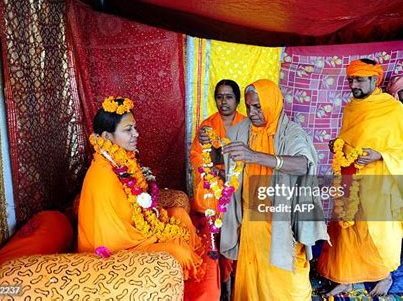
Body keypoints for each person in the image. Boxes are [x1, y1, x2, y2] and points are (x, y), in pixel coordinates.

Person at [77, 96, 220, 300]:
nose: (136, 134)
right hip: (120, 246)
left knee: (179, 214)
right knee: (181, 254)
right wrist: (155, 235)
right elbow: (113, 239)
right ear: (107, 137)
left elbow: (139, 201)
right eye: (128, 130)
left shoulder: (123, 159)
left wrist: (155, 220)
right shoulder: (103, 176)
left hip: (138, 227)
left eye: (134, 127)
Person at [317, 59, 403, 297]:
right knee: (346, 232)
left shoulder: (392, 109)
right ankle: (345, 278)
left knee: (379, 233)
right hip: (350, 181)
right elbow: (349, 140)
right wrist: (337, 146)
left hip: (380, 182)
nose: (353, 84)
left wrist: (380, 155)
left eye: (358, 79)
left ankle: (383, 276)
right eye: (350, 80)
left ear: (374, 80)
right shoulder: (351, 108)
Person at [220, 79, 328, 300]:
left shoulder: (291, 133)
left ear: (271, 103)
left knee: (287, 281)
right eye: (249, 107)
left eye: (258, 106)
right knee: (254, 277)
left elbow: (302, 164)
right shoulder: (241, 130)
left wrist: (255, 156)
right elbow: (225, 157)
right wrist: (211, 147)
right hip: (251, 219)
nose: (252, 112)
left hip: (282, 220)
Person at [189, 79, 246, 299]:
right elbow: (196, 157)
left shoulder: (247, 124)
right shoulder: (207, 125)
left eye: (229, 97)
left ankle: (238, 282)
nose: (224, 102)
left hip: (239, 189)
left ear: (237, 100)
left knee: (238, 236)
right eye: (219, 97)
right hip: (214, 192)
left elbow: (249, 158)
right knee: (216, 238)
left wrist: (229, 172)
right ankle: (221, 284)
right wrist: (215, 172)